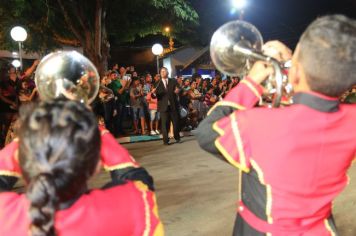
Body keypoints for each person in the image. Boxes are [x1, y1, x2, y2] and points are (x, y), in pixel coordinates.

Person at [196, 14, 356, 235]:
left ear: (296, 71)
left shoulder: (256, 125)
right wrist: (293, 69)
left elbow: (206, 132)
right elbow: (307, 111)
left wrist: (252, 83)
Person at [0, 100, 163, 235]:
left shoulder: (5, 215)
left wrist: (32, 133)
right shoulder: (130, 205)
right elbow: (137, 177)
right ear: (96, 165)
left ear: (22, 161)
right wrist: (97, 130)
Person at [153, 67, 181, 145]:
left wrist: (178, 90)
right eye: (161, 72)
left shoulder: (173, 81)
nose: (162, 73)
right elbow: (154, 96)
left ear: (167, 72)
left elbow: (179, 87)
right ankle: (166, 140)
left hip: (173, 105)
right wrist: (154, 93)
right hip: (163, 107)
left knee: (175, 123)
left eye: (164, 71)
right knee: (165, 125)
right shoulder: (157, 83)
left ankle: (177, 137)